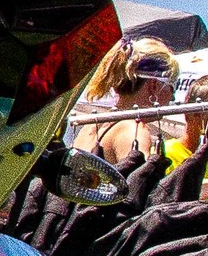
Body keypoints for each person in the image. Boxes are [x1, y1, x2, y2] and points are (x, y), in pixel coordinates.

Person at [67, 35, 178, 168]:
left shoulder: (89, 128)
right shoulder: (133, 130)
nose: (173, 98)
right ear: (154, 85)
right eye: (172, 87)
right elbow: (139, 185)